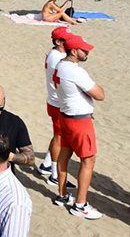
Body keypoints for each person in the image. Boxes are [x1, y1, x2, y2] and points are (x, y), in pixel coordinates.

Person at [54, 35, 105, 219]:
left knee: (64, 155)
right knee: (88, 160)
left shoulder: (60, 65)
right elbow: (100, 95)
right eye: (84, 50)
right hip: (79, 121)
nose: (87, 52)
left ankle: (62, 194)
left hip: (66, 116)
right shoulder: (76, 72)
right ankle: (81, 204)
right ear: (74, 51)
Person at [36, 27, 77, 189]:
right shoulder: (59, 59)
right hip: (58, 104)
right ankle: (54, 174)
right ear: (58, 42)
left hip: (55, 102)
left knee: (58, 137)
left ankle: (46, 165)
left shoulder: (54, 54)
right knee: (60, 139)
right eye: (67, 39)